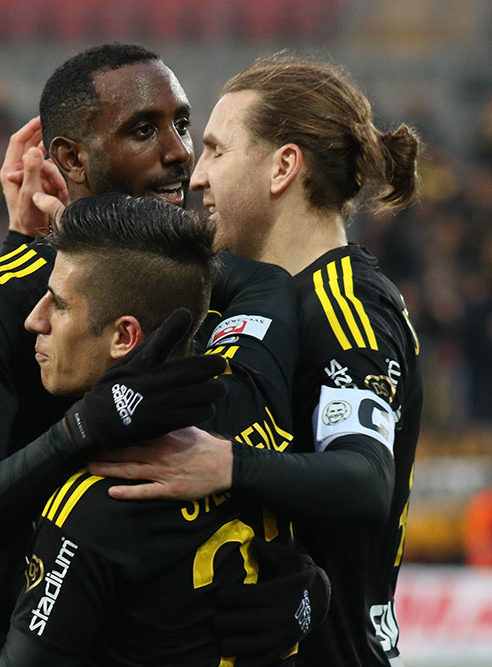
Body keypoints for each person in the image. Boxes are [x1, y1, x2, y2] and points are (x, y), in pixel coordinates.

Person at [0, 43, 320, 666]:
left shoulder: (211, 286)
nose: (179, 152)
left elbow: (252, 447)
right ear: (72, 158)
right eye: (143, 130)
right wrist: (81, 430)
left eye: (182, 123)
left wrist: (309, 590)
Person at [88, 55, 423, 667]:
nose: (197, 177)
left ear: (283, 167)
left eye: (216, 151)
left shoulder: (346, 305)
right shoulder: (247, 298)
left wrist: (227, 465)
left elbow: (364, 477)